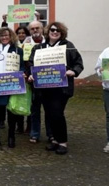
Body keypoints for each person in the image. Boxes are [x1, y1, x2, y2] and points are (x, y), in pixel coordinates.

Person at [28, 22, 84, 155]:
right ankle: (55, 140)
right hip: (44, 86)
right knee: (49, 113)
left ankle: (63, 142)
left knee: (57, 113)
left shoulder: (68, 46)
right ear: (47, 32)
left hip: (61, 87)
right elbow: (31, 63)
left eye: (58, 30)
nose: (55, 32)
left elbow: (78, 63)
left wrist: (74, 72)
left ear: (62, 33)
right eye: (52, 30)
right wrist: (31, 74)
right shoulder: (39, 47)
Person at [0, 27, 25, 148]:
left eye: (6, 35)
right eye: (1, 36)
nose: (4, 38)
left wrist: (22, 72)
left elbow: (22, 66)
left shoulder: (18, 50)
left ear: (11, 37)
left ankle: (11, 136)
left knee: (11, 112)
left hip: (12, 84)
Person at [26, 20, 52, 143]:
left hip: (50, 81)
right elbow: (29, 61)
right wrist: (30, 74)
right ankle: (35, 133)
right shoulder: (27, 44)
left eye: (37, 28)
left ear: (42, 29)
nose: (35, 30)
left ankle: (50, 134)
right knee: (35, 110)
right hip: (34, 81)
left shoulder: (49, 43)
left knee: (49, 110)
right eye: (32, 29)